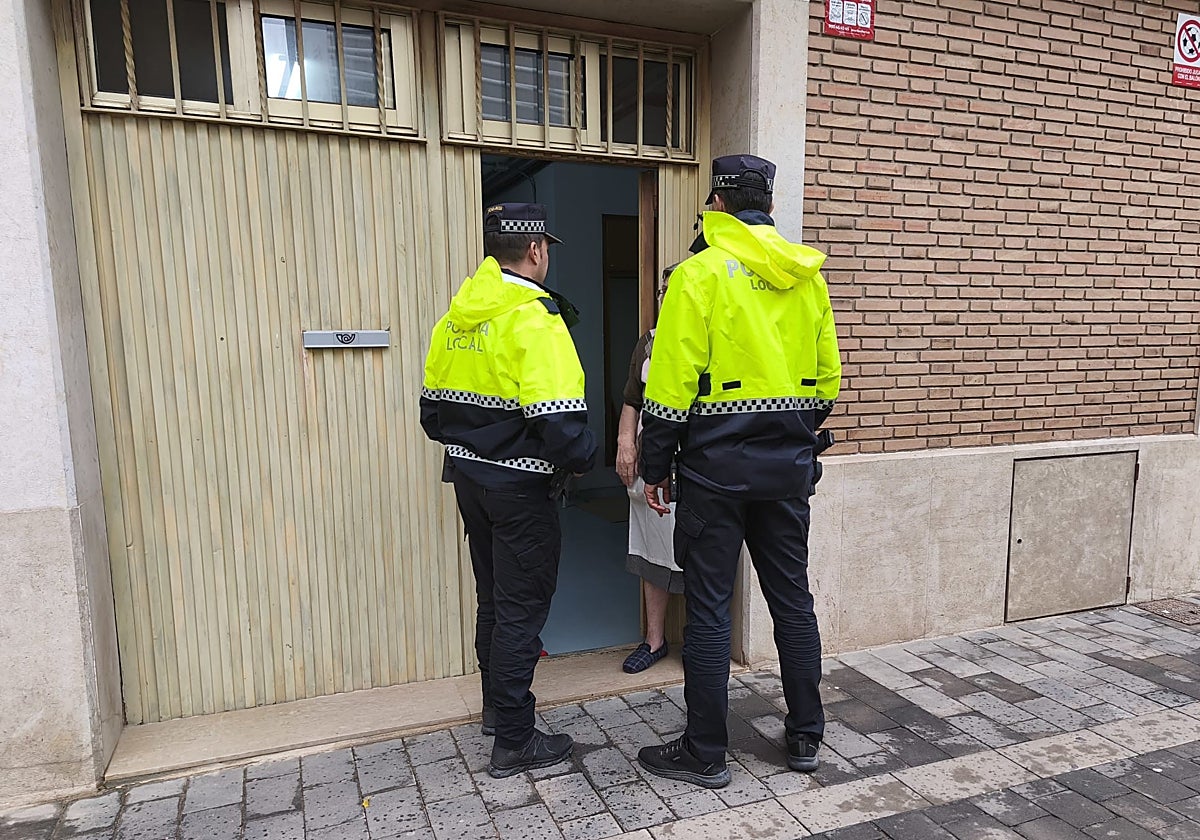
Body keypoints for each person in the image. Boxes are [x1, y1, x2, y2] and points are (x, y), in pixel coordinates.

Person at [635, 155, 842, 789]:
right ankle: (805, 734)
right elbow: (827, 380)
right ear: (770, 208)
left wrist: (655, 466)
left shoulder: (697, 276)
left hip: (714, 475)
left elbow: (668, 387)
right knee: (792, 601)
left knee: (709, 610)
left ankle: (706, 752)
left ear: (716, 206)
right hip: (786, 473)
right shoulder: (806, 278)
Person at [420, 202, 597, 779]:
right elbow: (563, 426)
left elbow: (431, 415)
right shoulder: (534, 317)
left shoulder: (456, 318)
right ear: (538, 250)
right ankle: (516, 740)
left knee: (494, 599)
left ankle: (497, 712)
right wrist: (587, 460)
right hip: (522, 489)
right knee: (522, 610)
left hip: (469, 480)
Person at [616, 263, 684, 674]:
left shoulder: (708, 344)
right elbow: (631, 401)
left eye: (671, 291)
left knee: (698, 555)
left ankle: (700, 644)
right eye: (662, 291)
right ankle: (654, 640)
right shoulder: (647, 344)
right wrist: (625, 444)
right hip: (648, 467)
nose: (663, 297)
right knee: (649, 550)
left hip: (689, 471)